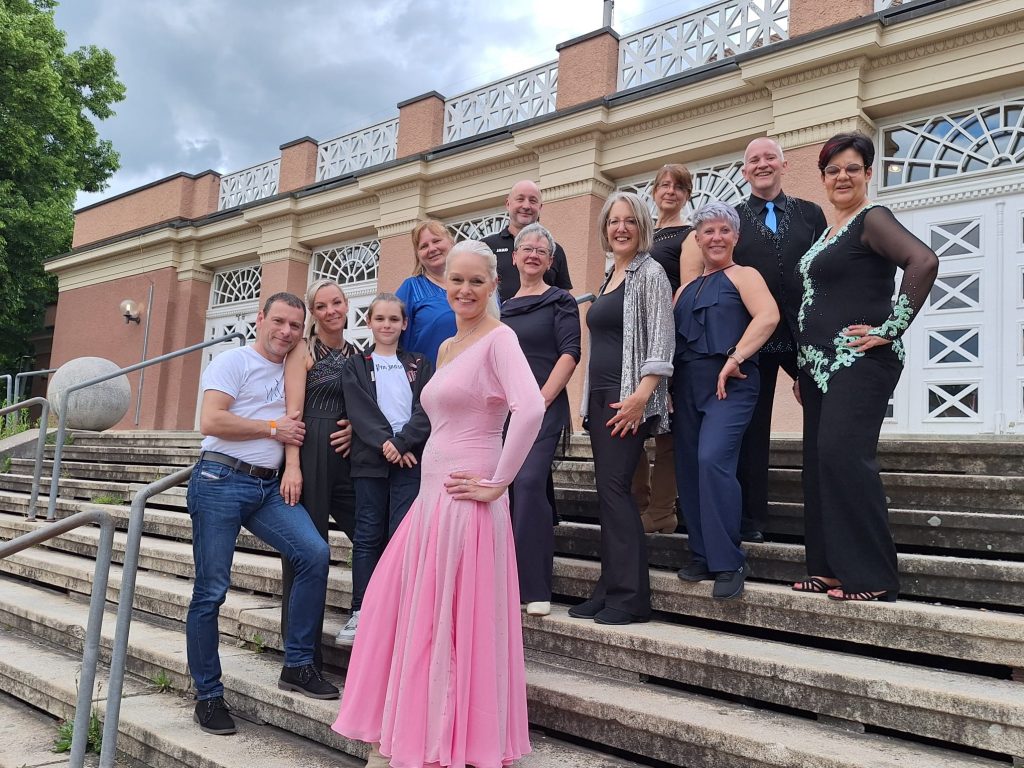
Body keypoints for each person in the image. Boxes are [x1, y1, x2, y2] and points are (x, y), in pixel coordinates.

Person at [332, 240, 545, 768]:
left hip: (466, 495)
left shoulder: (500, 339)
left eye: (476, 281)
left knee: (452, 619)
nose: (465, 290)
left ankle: (450, 740)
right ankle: (417, 729)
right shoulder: (448, 345)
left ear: (494, 285)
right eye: (457, 280)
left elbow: (531, 408)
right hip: (432, 497)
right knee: (411, 611)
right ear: (443, 284)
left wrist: (499, 482)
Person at [794, 132, 938, 602]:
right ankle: (830, 568)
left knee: (844, 455)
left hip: (860, 361)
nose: (842, 177)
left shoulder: (872, 219)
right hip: (818, 369)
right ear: (823, 178)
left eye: (852, 168)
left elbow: (923, 261)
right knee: (819, 463)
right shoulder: (827, 233)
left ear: (868, 174)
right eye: (833, 170)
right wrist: (804, 365)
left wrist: (892, 327)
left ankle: (872, 576)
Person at [187, 292, 338, 737]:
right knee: (211, 591)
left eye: (295, 325)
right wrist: (272, 428)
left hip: (267, 487)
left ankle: (298, 664)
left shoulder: (296, 364)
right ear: (260, 319)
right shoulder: (233, 362)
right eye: (279, 322)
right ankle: (208, 695)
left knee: (313, 553)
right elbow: (211, 421)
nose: (285, 332)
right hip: (220, 479)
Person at [569, 191, 674, 627]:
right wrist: (587, 402)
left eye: (630, 220)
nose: (621, 228)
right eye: (614, 221)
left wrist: (640, 398)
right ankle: (608, 588)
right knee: (609, 494)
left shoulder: (651, 272)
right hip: (601, 397)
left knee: (616, 493)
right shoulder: (610, 275)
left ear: (642, 226)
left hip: (627, 399)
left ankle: (630, 598)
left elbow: (662, 341)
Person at [672, 202, 779, 600]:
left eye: (724, 230)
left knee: (712, 460)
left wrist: (736, 357)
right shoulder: (683, 290)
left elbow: (767, 316)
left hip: (730, 384)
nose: (716, 237)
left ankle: (729, 560)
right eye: (708, 231)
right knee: (688, 468)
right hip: (686, 387)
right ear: (697, 239)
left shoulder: (745, 275)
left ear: (736, 237)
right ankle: (702, 553)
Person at [733, 137, 828, 544]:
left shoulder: (811, 214)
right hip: (754, 336)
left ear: (784, 165)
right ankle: (750, 519)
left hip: (806, 335)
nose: (763, 164)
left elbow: (824, 270)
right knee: (751, 430)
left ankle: (822, 515)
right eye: (754, 160)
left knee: (821, 421)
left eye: (770, 157)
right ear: (745, 172)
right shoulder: (734, 219)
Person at [338, 292, 433, 646]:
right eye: (380, 318)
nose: (387, 325)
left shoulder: (420, 363)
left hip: (409, 461)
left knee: (402, 536)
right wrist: (389, 445)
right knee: (367, 536)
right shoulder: (356, 365)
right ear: (369, 323)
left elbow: (427, 407)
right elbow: (360, 410)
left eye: (394, 319)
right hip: (370, 462)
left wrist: (404, 442)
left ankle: (400, 610)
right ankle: (361, 611)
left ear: (404, 324)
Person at [500, 222, 581, 617]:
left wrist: (540, 399)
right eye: (526, 249)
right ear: (514, 257)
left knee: (529, 482)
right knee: (506, 490)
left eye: (541, 251)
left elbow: (570, 353)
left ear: (550, 262)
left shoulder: (560, 301)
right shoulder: (499, 309)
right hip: (502, 412)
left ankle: (533, 587)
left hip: (543, 408)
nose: (533, 255)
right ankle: (502, 579)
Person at [279, 278, 356, 671]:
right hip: (309, 453)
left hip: (347, 457)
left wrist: (356, 428)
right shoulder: (303, 350)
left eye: (336, 303)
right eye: (322, 306)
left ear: (347, 305)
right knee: (308, 552)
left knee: (371, 535)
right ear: (313, 312)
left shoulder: (357, 352)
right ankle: (301, 651)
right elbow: (292, 413)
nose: (331, 311)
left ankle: (366, 620)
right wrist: (292, 466)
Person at [632, 163, 695, 534]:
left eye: (679, 187)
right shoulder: (640, 233)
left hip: (666, 339)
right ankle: (639, 504)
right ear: (654, 191)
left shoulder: (689, 236)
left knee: (666, 429)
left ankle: (661, 511)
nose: (670, 191)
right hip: (632, 342)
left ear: (687, 195)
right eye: (664, 185)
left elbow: (687, 290)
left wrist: (661, 335)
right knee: (633, 426)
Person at [483, 179, 573, 302]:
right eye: (520, 199)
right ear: (508, 204)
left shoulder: (554, 250)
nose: (526, 206)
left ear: (540, 207)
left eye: (533, 201)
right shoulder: (486, 246)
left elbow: (564, 298)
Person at [395, 219, 457, 364]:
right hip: (429, 375)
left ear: (451, 242)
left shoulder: (472, 285)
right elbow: (387, 336)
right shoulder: (411, 289)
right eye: (424, 246)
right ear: (418, 255)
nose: (432, 249)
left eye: (436, 241)